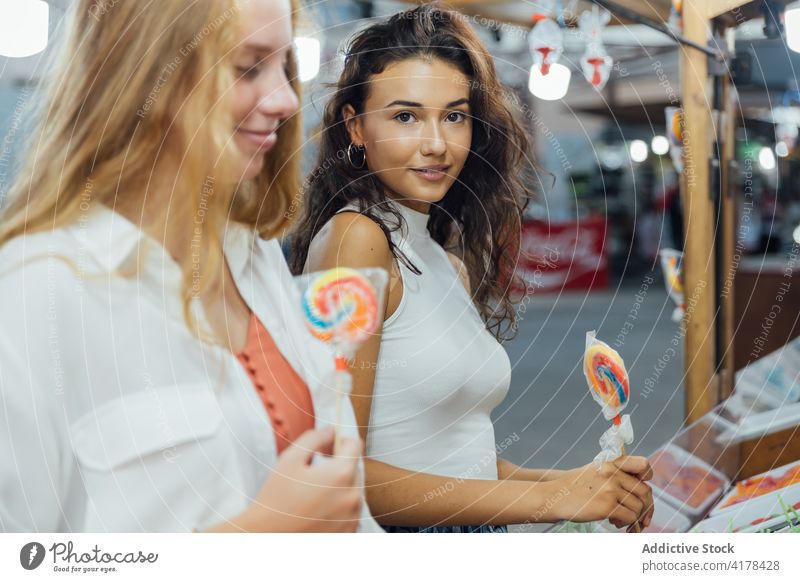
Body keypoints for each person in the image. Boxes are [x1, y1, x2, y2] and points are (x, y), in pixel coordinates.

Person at [0, 0, 379, 533]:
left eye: (285, 68)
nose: (287, 99)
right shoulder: (35, 293)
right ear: (149, 73)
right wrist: (253, 542)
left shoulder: (250, 254)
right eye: (248, 67)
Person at [291, 5, 654, 533]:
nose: (436, 142)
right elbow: (335, 473)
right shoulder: (358, 239)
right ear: (356, 126)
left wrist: (578, 483)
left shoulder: (442, 259)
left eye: (454, 115)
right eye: (405, 116)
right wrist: (556, 502)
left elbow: (457, 461)